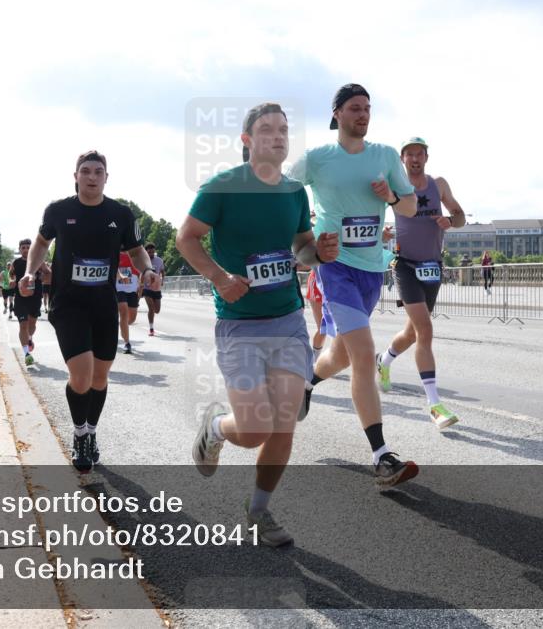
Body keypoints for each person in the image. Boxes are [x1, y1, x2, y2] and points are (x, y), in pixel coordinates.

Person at [180, 102, 339, 547]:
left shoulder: (293, 193)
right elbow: (185, 237)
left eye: (284, 129)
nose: (278, 136)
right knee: (253, 430)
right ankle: (215, 428)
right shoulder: (223, 187)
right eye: (267, 129)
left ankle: (259, 511)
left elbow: (302, 248)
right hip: (239, 324)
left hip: (287, 318)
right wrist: (219, 278)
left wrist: (318, 253)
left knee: (283, 421)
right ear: (247, 141)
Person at [288, 84, 419, 488]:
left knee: (343, 355)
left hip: (370, 270)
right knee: (364, 355)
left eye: (367, 108)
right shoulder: (317, 158)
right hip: (334, 266)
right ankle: (382, 457)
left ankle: (307, 382)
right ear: (337, 114)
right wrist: (303, 236)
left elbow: (411, 207)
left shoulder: (383, 156)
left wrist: (391, 197)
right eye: (354, 108)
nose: (363, 114)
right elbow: (282, 192)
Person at [21, 150, 154, 473]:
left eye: (98, 171)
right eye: (86, 171)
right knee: (81, 375)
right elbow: (41, 244)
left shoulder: (121, 214)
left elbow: (136, 252)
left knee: (100, 377)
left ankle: (91, 431)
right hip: (69, 305)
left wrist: (146, 270)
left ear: (106, 178)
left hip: (103, 305)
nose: (92, 177)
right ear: (76, 176)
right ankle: (80, 434)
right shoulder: (59, 210)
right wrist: (30, 271)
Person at [376, 137, 467, 430]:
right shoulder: (394, 187)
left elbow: (460, 215)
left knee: (413, 332)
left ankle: (384, 360)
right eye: (409, 154)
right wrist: (383, 234)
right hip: (404, 265)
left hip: (432, 266)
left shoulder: (438, 184)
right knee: (425, 328)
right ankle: (434, 405)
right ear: (402, 159)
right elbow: (375, 218)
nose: (415, 159)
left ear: (426, 157)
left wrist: (450, 222)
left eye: (419, 154)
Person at [13, 240, 44, 366]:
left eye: (28, 247)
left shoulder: (38, 261)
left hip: (35, 297)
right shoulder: (16, 263)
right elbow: (11, 276)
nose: (25, 249)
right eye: (23, 247)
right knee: (23, 326)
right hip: (20, 298)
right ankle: (26, 354)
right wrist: (10, 281)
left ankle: (30, 338)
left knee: (32, 324)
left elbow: (48, 273)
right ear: (20, 249)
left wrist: (41, 276)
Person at [115, 251, 141, 353]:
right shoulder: (115, 251)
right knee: (124, 312)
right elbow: (113, 267)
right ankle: (127, 343)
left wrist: (141, 285)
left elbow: (141, 270)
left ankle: (122, 325)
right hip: (119, 288)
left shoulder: (136, 253)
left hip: (132, 289)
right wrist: (121, 275)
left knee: (132, 319)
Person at [142, 243, 164, 336]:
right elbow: (141, 274)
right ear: (146, 252)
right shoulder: (143, 261)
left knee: (157, 310)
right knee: (151, 308)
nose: (151, 253)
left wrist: (163, 280)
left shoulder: (159, 260)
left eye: (152, 251)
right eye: (149, 251)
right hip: (147, 288)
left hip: (157, 288)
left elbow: (162, 271)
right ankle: (151, 329)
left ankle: (151, 317)